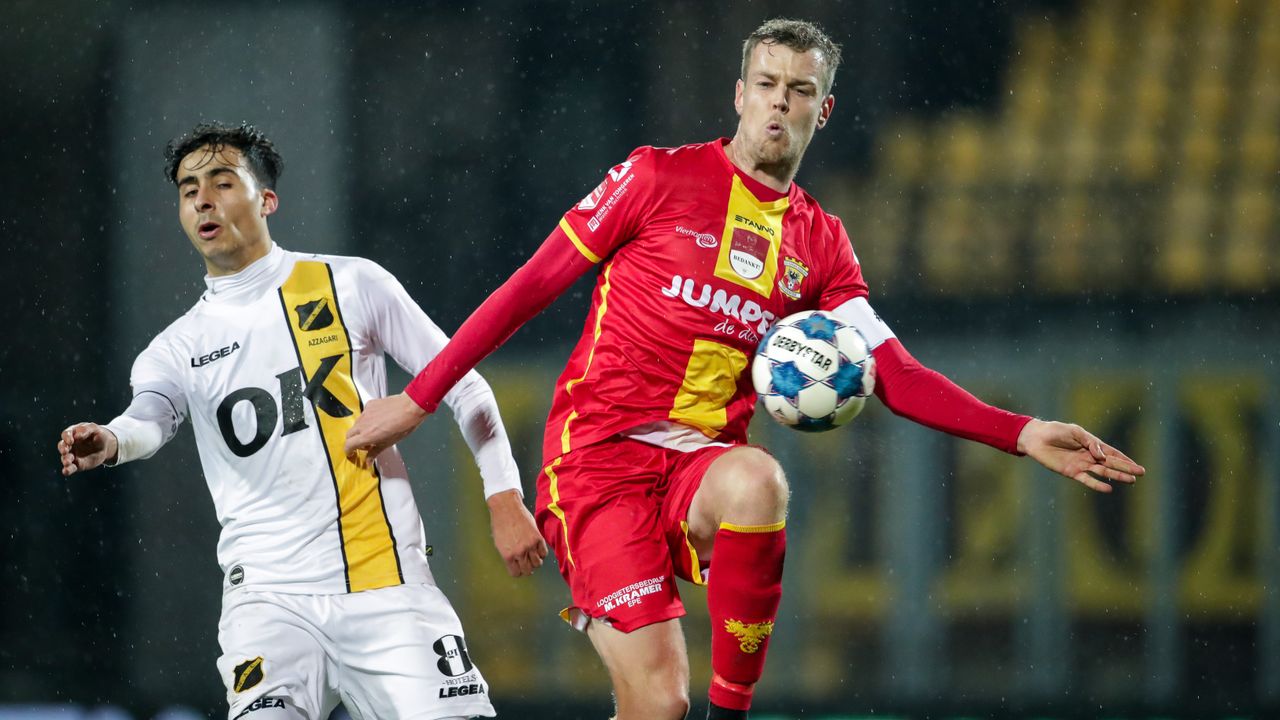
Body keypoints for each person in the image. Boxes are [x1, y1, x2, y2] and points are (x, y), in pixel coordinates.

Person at [345, 18, 1145, 720]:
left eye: (800, 90)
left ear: (821, 110)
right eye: (766, 83)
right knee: (657, 704)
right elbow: (529, 288)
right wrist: (418, 400)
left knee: (760, 481)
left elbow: (894, 374)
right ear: (738, 94)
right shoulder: (655, 179)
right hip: (599, 461)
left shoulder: (821, 244)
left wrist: (1025, 430)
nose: (779, 102)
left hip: (699, 465)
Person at [56, 122, 547, 720]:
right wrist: (111, 440)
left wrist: (504, 497)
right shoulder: (174, 347)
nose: (202, 199)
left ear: (266, 200)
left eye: (221, 181)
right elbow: (151, 418)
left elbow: (463, 383)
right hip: (266, 601)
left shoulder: (352, 283)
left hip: (386, 584)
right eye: (189, 190)